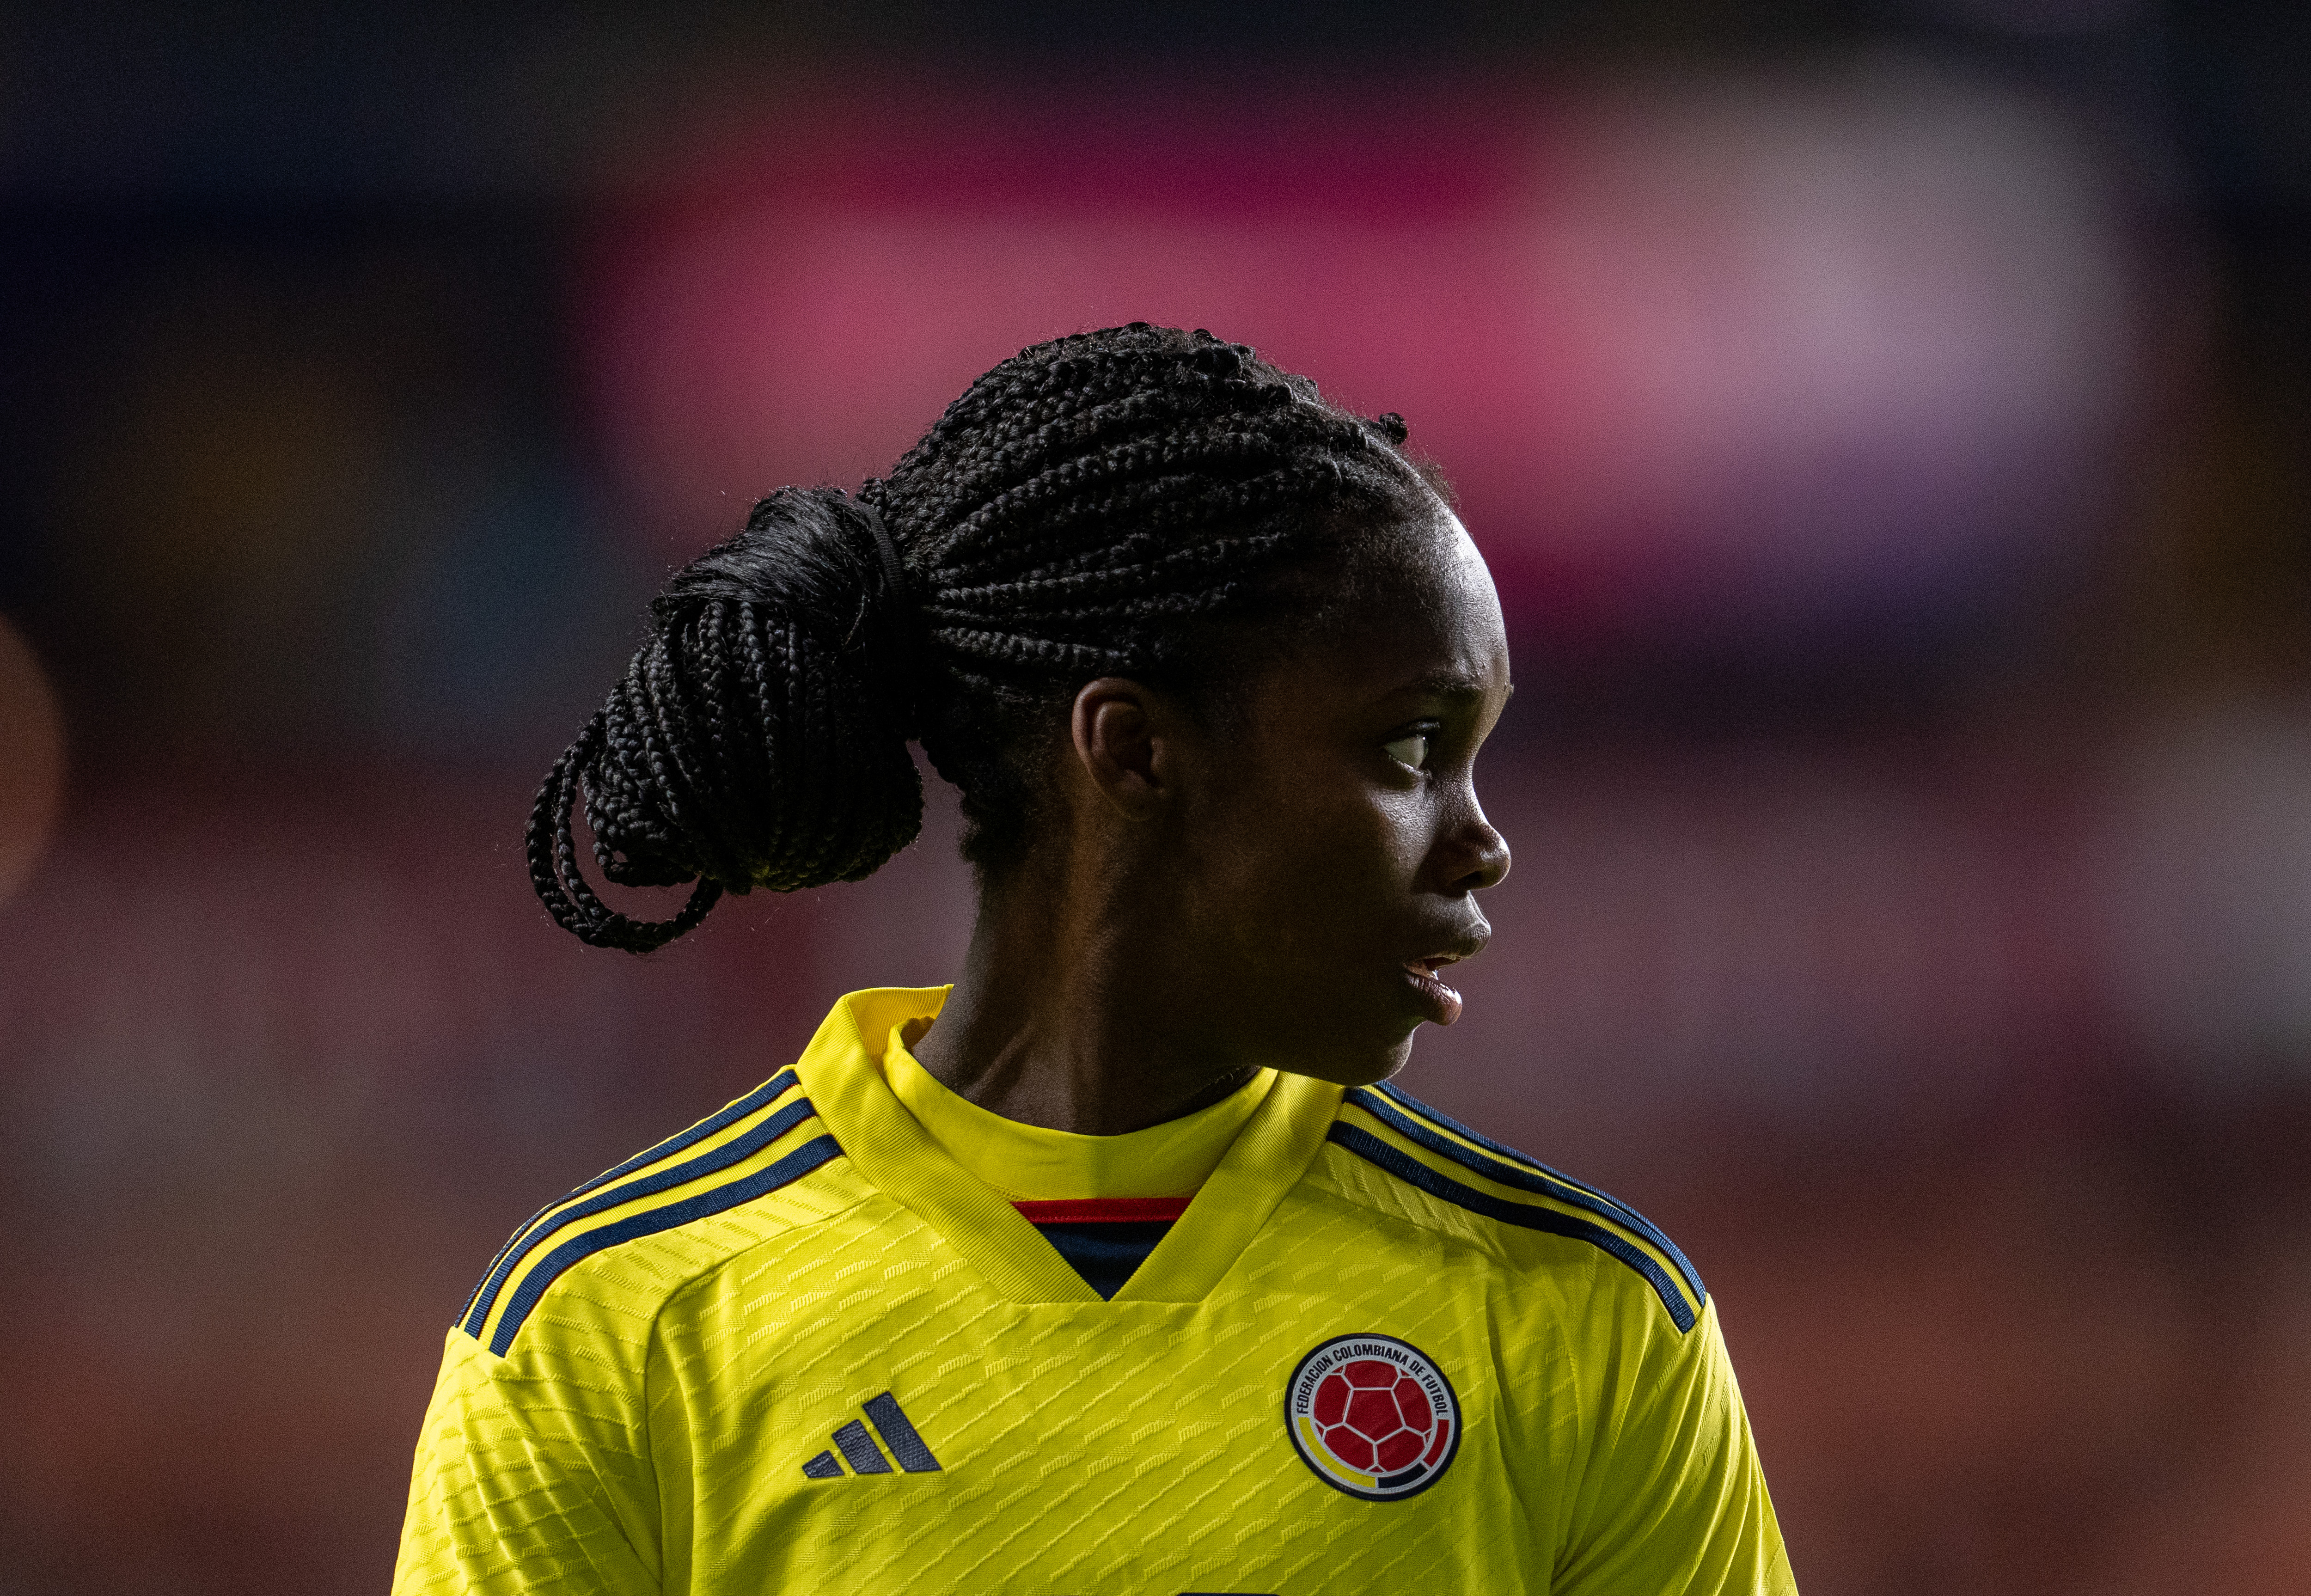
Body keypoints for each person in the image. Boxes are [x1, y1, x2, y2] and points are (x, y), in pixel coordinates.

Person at [393, 324, 1795, 1593]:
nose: (1483, 844)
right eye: (1412, 750)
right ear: (1133, 750)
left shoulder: (1592, 1324)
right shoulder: (612, 1331)